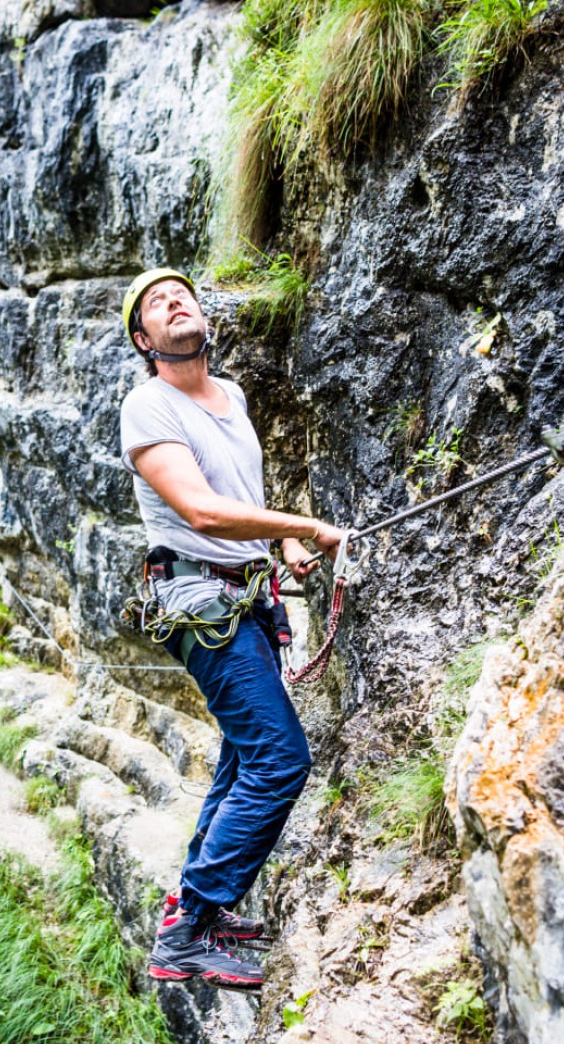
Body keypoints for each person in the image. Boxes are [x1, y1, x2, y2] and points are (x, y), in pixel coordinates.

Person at [118, 267, 344, 991]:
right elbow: (203, 513)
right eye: (157, 302)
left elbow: (241, 496)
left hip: (244, 599)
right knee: (280, 759)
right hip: (199, 600)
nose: (175, 300)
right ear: (144, 339)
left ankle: (195, 908)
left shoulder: (233, 397)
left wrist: (282, 545)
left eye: (182, 292)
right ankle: (187, 935)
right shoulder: (147, 407)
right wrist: (304, 523)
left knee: (246, 758)